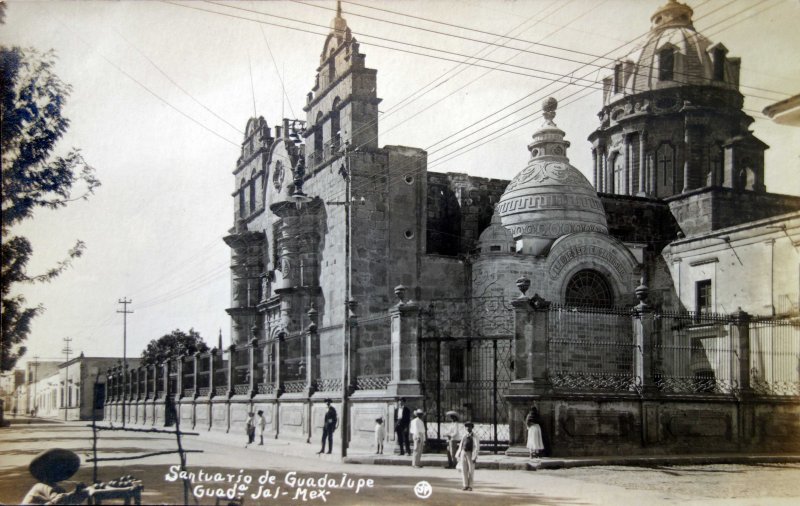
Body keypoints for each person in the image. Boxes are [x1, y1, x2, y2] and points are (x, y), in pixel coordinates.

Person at [22, 448, 89, 505]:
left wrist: (77, 494)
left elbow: (62, 500)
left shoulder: (41, 486)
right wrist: (78, 494)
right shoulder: (44, 487)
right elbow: (58, 501)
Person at [455, 421, 479, 491]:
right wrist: (458, 454)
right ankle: (465, 485)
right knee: (464, 469)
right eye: (466, 426)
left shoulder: (474, 436)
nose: (468, 428)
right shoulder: (464, 435)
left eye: (469, 426)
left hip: (470, 453)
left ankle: (470, 486)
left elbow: (476, 447)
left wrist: (475, 456)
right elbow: (461, 445)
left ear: (472, 427)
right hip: (463, 452)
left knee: (471, 470)